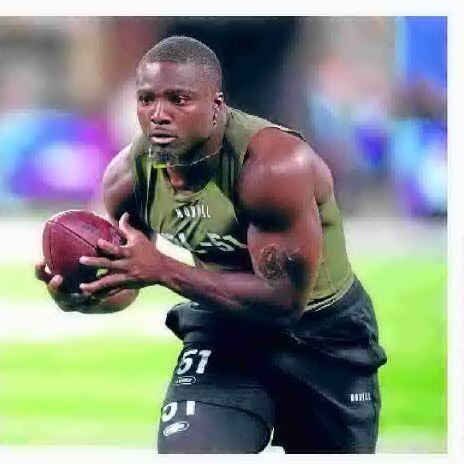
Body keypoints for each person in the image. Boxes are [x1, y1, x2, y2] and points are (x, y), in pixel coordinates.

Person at [35, 36, 387, 453]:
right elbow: (129, 278)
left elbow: (285, 300)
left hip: (325, 333)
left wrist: (163, 269)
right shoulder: (127, 179)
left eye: (178, 100)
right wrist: (87, 296)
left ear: (217, 105)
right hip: (226, 328)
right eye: (146, 100)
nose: (158, 115)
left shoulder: (273, 166)